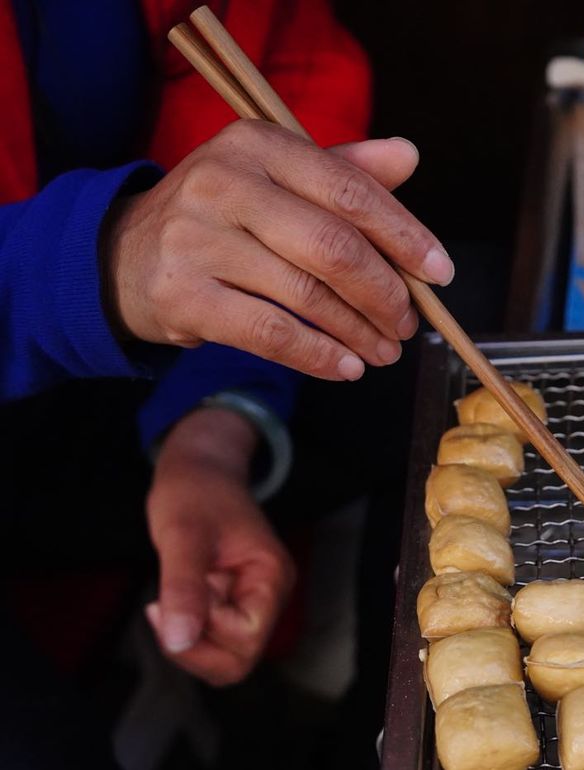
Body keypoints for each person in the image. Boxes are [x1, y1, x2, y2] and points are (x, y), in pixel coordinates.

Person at [0, 0, 436, 722]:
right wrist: (101, 259)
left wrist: (212, 431)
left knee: (441, 348)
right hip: (45, 329)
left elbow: (286, 73)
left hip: (121, 360)